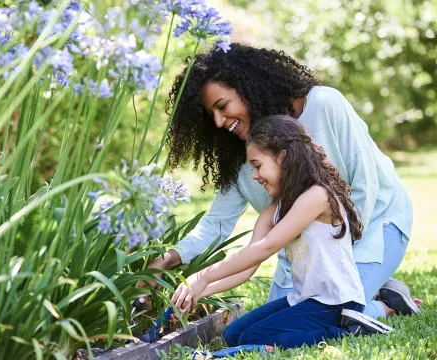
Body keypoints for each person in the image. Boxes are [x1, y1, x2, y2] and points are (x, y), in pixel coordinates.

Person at [147, 43, 419, 321]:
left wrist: (338, 266)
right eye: (211, 114)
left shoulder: (324, 104)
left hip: (375, 224)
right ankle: (372, 288)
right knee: (276, 321)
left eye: (222, 106)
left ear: (248, 88)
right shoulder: (240, 156)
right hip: (307, 255)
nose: (218, 121)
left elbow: (367, 185)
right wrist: (171, 257)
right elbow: (216, 224)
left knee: (333, 315)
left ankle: (386, 305)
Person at [172, 116, 393, 349]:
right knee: (233, 335)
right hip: (305, 300)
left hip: (337, 303)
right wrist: (198, 292)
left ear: (283, 157)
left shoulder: (318, 196)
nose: (255, 176)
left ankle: (352, 331)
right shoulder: (274, 210)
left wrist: (203, 276)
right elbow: (248, 264)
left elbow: (266, 248)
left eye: (257, 165)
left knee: (252, 338)